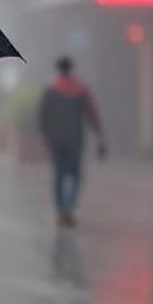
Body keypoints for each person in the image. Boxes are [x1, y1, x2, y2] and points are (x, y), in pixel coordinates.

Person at [38, 56, 106, 228]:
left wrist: (45, 136)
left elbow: (43, 117)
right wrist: (99, 134)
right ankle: (69, 207)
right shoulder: (81, 90)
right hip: (75, 139)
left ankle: (61, 211)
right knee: (75, 177)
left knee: (59, 176)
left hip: (56, 140)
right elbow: (92, 113)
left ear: (59, 69)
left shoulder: (51, 90)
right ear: (71, 69)